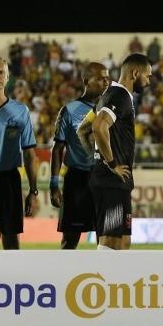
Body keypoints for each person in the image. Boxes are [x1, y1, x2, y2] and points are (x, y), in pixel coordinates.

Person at [89, 53, 152, 250]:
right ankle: (95, 281)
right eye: (147, 76)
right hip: (111, 181)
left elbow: (83, 129)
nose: (149, 81)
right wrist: (111, 163)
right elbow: (98, 127)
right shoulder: (120, 95)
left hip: (116, 182)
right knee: (111, 241)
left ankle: (110, 281)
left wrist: (96, 157)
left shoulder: (112, 95)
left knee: (123, 242)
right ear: (135, 73)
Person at [49, 62, 110, 249]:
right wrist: (54, 184)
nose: (106, 82)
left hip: (103, 178)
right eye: (100, 78)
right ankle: (63, 278)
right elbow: (58, 148)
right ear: (86, 81)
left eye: (107, 77)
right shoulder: (69, 110)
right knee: (70, 240)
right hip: (77, 180)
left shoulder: (112, 109)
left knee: (106, 241)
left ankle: (105, 278)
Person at [0, 56, 38, 249]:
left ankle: (13, 280)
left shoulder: (20, 111)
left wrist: (33, 190)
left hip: (8, 181)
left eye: (0, 72)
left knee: (11, 240)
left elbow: (29, 154)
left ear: (8, 76)